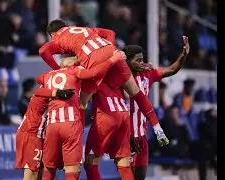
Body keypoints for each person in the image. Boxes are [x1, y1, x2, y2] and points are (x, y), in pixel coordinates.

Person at [39, 19, 168, 149]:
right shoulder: (83, 29)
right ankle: (158, 129)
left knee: (82, 103)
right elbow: (109, 33)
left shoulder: (58, 38)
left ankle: (75, 143)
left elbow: (43, 51)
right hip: (111, 50)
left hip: (93, 58)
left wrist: (56, 70)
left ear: (52, 34)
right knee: (136, 92)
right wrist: (109, 55)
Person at [36, 52, 122, 180]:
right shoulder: (75, 71)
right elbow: (94, 73)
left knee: (49, 168)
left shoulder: (47, 76)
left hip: (52, 125)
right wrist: (113, 59)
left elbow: (38, 85)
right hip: (71, 125)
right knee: (72, 170)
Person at [123, 36, 190, 180]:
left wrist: (183, 55)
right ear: (126, 61)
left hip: (142, 136)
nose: (142, 63)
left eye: (142, 60)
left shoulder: (147, 74)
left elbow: (171, 69)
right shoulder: (118, 78)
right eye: (137, 60)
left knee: (140, 177)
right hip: (125, 136)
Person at [15, 85, 75, 180]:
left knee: (40, 173)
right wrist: (56, 93)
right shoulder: (46, 91)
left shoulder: (54, 91)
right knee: (31, 174)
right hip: (31, 133)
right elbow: (38, 91)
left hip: (39, 135)